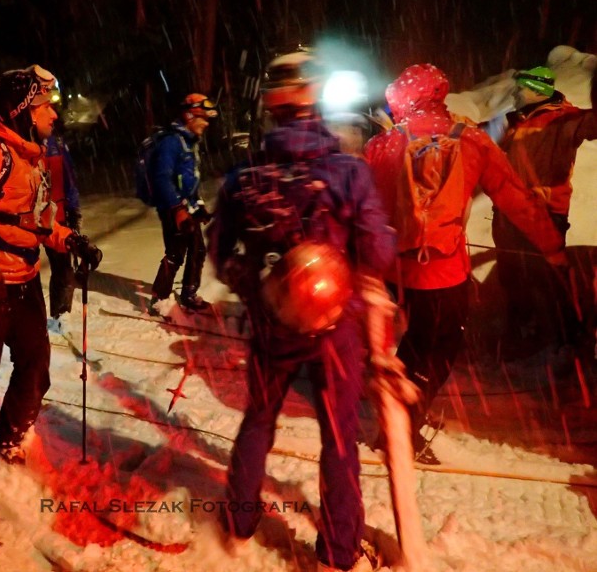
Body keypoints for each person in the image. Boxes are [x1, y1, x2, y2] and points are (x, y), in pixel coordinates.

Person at [207, 50, 397, 572]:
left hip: (272, 323)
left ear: (271, 104)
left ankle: (238, 523)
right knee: (339, 438)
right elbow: (379, 254)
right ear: (316, 100)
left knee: (259, 420)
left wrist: (259, 286)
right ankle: (338, 552)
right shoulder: (347, 171)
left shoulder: (243, 175)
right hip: (337, 328)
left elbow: (222, 254)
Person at [364, 64, 566, 463]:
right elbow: (515, 198)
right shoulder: (470, 138)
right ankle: (400, 429)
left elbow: (362, 208)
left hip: (393, 268)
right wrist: (553, 247)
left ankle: (394, 409)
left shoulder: (384, 144)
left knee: (415, 342)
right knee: (439, 347)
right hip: (443, 273)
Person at [0, 65, 102, 485]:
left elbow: (38, 217)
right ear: (21, 111)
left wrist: (70, 240)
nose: (54, 114)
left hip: (25, 278)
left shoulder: (32, 158)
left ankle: (11, 433)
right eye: (46, 106)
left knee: (36, 365)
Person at [491, 65, 597, 354]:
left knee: (549, 277)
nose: (514, 93)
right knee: (512, 274)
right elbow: (475, 139)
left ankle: (567, 339)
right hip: (508, 212)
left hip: (546, 212)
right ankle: (521, 332)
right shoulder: (512, 121)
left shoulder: (566, 119)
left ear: (538, 90)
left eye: (521, 88)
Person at [148, 93, 218, 314]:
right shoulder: (172, 142)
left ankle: (188, 293)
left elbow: (188, 179)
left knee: (197, 249)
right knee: (176, 253)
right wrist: (177, 209)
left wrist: (197, 206)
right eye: (202, 118)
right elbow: (162, 178)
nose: (206, 124)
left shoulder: (188, 142)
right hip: (172, 207)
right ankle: (159, 298)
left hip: (185, 206)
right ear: (189, 116)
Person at [43, 119, 82, 328]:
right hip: (29, 219)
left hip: (55, 218)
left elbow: (68, 178)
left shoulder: (55, 143)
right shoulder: (25, 144)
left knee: (63, 268)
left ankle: (60, 315)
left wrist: (73, 209)